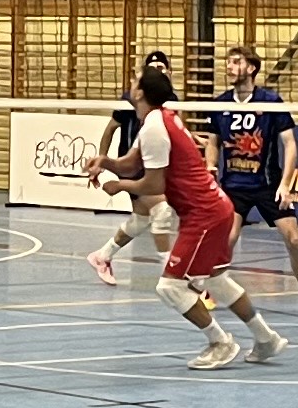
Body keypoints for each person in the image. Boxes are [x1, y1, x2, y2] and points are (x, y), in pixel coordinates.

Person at [98, 69, 284, 372]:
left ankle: (221, 342)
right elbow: (131, 164)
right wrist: (105, 162)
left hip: (204, 214)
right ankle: (266, 338)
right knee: (216, 280)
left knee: (170, 287)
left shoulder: (156, 126)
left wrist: (120, 186)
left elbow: (154, 184)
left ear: (141, 92)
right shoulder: (157, 120)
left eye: (134, 81)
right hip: (214, 208)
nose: (130, 85)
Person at [207, 42, 298, 315]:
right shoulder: (219, 103)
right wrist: (210, 167)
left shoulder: (270, 102)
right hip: (234, 186)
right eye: (228, 62)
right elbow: (213, 142)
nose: (229, 67)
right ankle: (209, 290)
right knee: (227, 238)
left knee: (294, 239)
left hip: (268, 184)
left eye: (236, 62)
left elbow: (290, 144)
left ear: (251, 68)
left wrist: (286, 184)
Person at [82, 52, 178, 285]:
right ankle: (174, 277)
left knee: (142, 218)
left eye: (161, 68)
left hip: (153, 165)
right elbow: (114, 134)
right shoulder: (136, 110)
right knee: (161, 211)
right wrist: (103, 162)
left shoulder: (164, 111)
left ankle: (102, 256)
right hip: (135, 167)